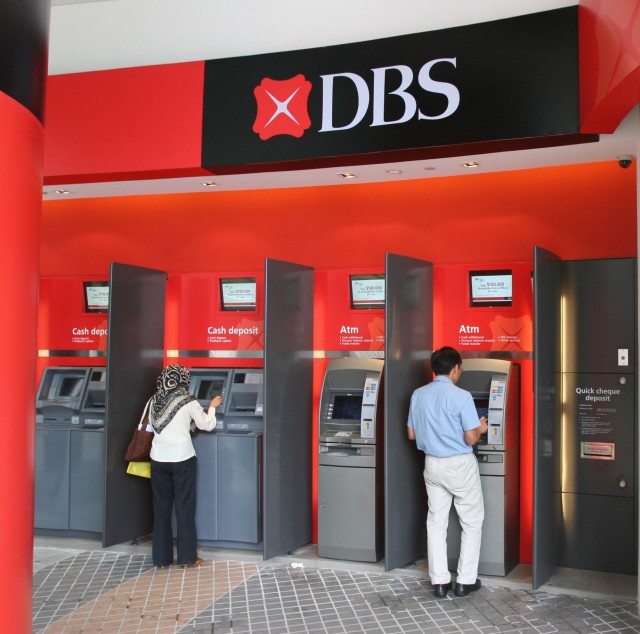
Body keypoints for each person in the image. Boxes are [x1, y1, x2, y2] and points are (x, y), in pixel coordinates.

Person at [407, 346, 488, 599]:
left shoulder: (418, 394)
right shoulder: (462, 396)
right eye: (460, 369)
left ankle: (440, 582)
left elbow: (411, 434)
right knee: (471, 522)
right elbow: (470, 437)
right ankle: (465, 581)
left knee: (436, 523)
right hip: (459, 464)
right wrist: (481, 428)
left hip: (432, 464)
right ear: (455, 368)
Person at [148, 364, 223, 568]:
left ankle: (161, 560)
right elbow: (206, 424)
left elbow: (152, 427)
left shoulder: (155, 400)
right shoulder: (187, 400)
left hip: (158, 460)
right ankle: (187, 558)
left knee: (161, 510)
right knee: (185, 509)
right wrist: (212, 407)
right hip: (182, 459)